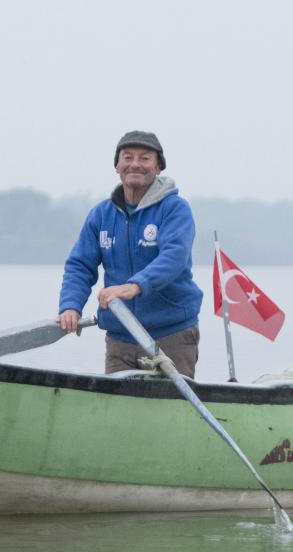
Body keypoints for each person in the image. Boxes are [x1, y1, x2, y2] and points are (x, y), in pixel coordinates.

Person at [57, 131, 203, 377]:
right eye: (127, 157)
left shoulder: (175, 209)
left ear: (158, 167)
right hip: (120, 337)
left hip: (171, 334)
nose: (135, 164)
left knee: (169, 412)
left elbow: (174, 257)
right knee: (117, 411)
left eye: (145, 158)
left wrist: (134, 286)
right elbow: (80, 266)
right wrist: (71, 306)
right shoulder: (101, 214)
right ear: (117, 166)